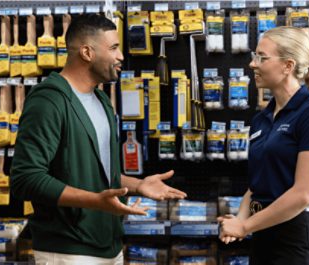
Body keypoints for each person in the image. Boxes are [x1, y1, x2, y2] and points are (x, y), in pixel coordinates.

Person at [11, 13, 186, 265]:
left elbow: (95, 173)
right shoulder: (49, 101)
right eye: (114, 48)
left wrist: (137, 186)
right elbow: (25, 179)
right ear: (87, 52)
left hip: (109, 245)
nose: (121, 56)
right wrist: (96, 202)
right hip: (68, 251)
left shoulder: (101, 100)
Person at [218, 26, 309, 265]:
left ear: (287, 66)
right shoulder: (262, 118)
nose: (253, 64)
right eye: (254, 56)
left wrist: (244, 226)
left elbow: (303, 194)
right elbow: (257, 186)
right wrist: (238, 220)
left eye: (261, 57)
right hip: (263, 235)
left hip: (297, 241)